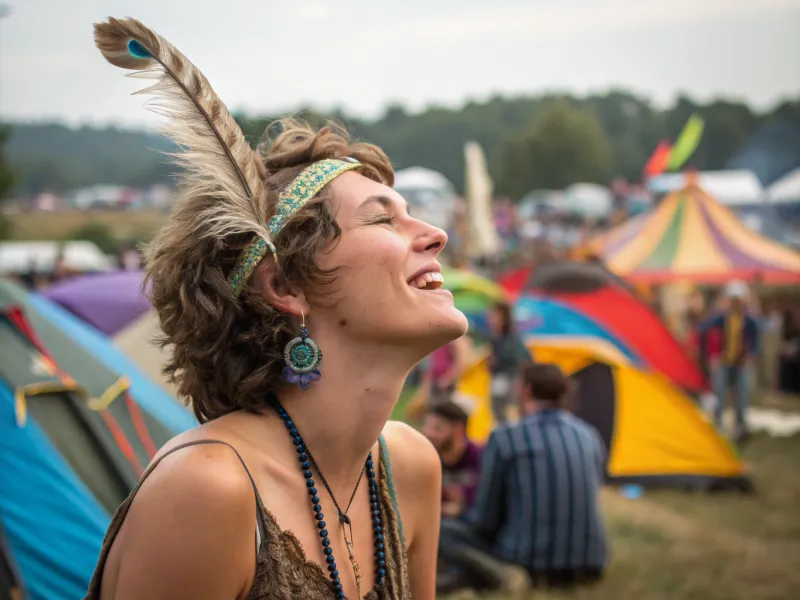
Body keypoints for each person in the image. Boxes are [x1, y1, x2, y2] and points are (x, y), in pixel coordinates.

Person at [86, 17, 469, 600]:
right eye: (382, 218)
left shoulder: (408, 467)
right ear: (286, 285)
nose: (436, 234)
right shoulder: (209, 489)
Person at [437, 363, 607, 594]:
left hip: (530, 564)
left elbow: (485, 520)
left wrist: (460, 513)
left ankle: (496, 576)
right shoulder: (589, 435)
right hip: (590, 565)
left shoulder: (505, 436)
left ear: (525, 390)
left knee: (442, 530)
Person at [698, 283, 760, 442]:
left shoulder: (749, 321)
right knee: (718, 393)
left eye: (738, 300)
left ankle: (740, 425)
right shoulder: (720, 318)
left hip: (741, 364)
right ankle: (717, 425)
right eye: (733, 300)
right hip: (723, 362)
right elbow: (702, 330)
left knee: (741, 395)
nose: (735, 303)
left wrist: (751, 355)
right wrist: (713, 354)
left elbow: (755, 343)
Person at [421, 402, 482, 518]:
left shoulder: (480, 458)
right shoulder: (424, 461)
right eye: (427, 426)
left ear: (458, 429)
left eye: (437, 428)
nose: (428, 433)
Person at [486, 301, 532, 424]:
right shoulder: (495, 338)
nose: (490, 319)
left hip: (510, 381)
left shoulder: (512, 339)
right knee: (498, 414)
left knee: (508, 413)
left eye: (493, 316)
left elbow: (520, 360)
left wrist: (495, 361)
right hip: (499, 381)